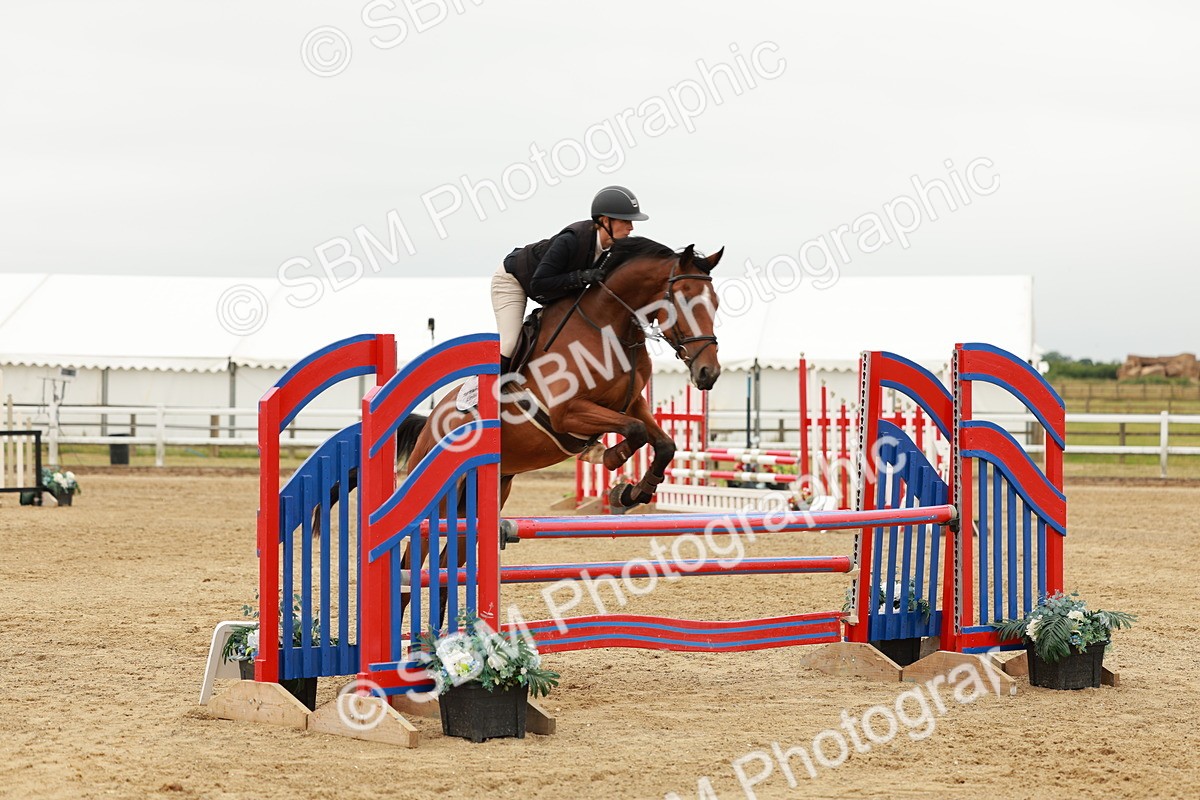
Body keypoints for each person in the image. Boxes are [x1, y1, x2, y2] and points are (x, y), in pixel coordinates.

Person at [491, 185, 649, 373]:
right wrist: (581, 277)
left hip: (552, 289)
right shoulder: (571, 240)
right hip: (514, 280)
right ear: (605, 220)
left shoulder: (612, 250)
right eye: (626, 221)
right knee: (510, 343)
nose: (631, 228)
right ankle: (483, 394)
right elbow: (539, 283)